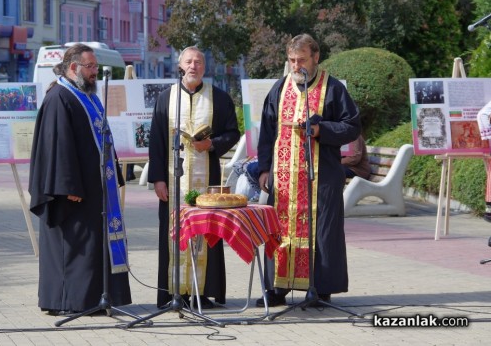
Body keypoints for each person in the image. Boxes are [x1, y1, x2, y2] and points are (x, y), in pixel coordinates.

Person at [256, 34, 361, 307]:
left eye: (301, 60)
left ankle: (320, 289)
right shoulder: (279, 90)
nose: (296, 66)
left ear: (315, 57)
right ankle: (278, 288)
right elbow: (267, 132)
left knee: (322, 233)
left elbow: (352, 126)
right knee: (280, 232)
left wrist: (320, 130)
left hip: (321, 176)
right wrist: (264, 169)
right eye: (291, 60)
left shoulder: (334, 88)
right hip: (283, 179)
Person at [28, 43, 132, 316]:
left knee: (93, 246)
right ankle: (70, 301)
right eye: (91, 67)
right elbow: (56, 147)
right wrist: (68, 186)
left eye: (96, 67)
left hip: (94, 188)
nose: (95, 72)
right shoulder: (59, 98)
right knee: (74, 246)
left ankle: (94, 297)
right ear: (74, 68)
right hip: (73, 192)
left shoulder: (87, 95)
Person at [148, 46, 240, 309]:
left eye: (198, 62)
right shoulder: (166, 98)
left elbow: (233, 133)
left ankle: (203, 291)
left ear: (205, 67)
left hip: (205, 180)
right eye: (188, 61)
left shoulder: (219, 98)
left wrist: (211, 144)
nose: (193, 66)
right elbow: (156, 141)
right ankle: (174, 292)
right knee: (172, 233)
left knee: (206, 231)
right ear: (179, 65)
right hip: (172, 180)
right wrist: (158, 179)